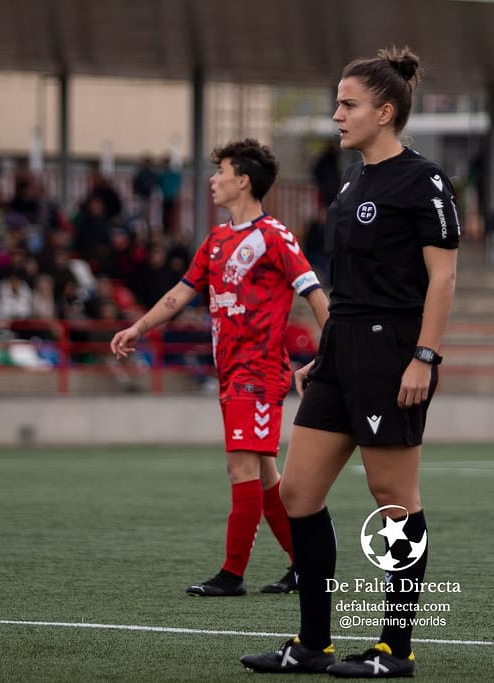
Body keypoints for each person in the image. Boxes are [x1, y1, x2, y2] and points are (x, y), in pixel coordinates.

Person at [240, 46, 460, 678]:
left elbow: (441, 280)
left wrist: (424, 356)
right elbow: (346, 282)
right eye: (337, 103)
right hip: (341, 349)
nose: (336, 114)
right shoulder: (352, 181)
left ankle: (396, 651)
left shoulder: (424, 181)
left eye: (348, 104)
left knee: (394, 498)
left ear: (384, 112)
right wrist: (325, 353)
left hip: (395, 352)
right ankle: (313, 645)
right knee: (300, 494)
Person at [110, 138, 330, 597]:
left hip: (260, 372)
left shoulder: (275, 236)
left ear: (243, 180)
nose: (213, 180)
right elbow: (179, 294)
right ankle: (304, 567)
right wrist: (139, 328)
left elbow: (315, 295)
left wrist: (328, 355)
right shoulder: (215, 241)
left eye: (221, 172)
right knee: (267, 478)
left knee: (240, 469)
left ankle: (232, 575)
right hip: (231, 373)